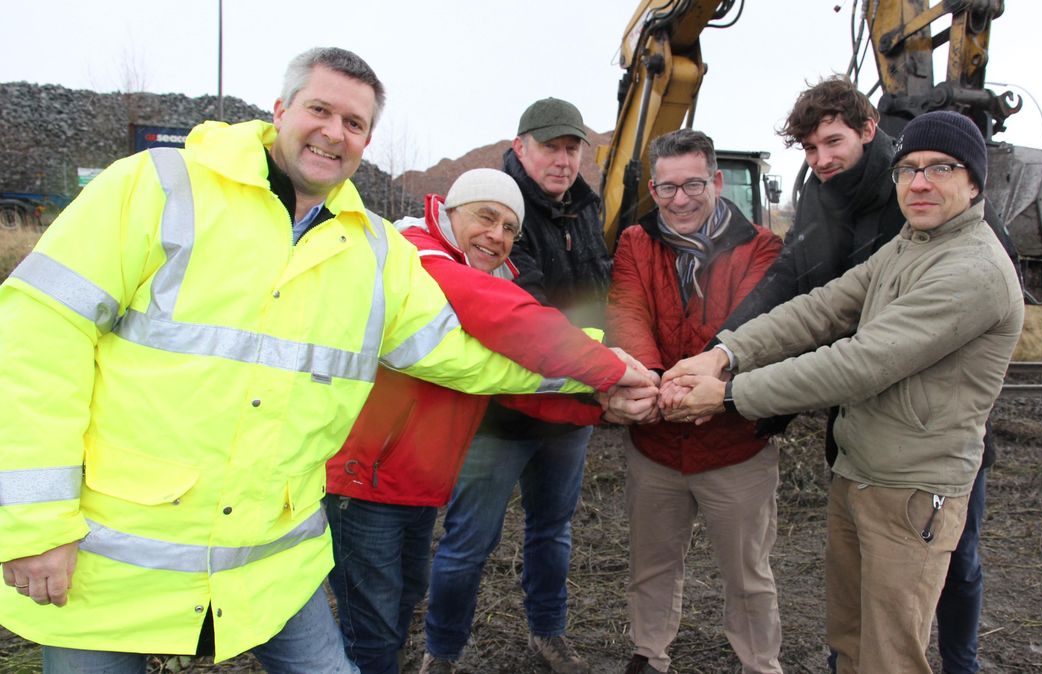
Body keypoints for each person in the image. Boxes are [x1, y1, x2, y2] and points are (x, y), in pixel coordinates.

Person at [0, 48, 601, 674]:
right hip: (106, 562)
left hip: (269, 567)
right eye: (320, 109)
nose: (334, 132)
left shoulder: (371, 250)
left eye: (354, 123)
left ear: (367, 141)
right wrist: (37, 526)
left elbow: (458, 352)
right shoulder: (157, 187)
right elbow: (38, 340)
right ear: (281, 109)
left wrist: (592, 373)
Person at [662, 110, 1025, 674]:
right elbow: (822, 307)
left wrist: (729, 395)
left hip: (911, 491)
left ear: (974, 180)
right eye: (907, 170)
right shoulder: (910, 243)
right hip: (860, 472)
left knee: (890, 656)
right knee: (851, 639)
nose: (920, 182)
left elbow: (860, 363)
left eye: (939, 169)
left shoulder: (972, 268)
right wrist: (722, 353)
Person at [325, 168, 652, 674]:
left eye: (509, 229)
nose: (497, 236)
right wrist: (608, 365)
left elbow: (502, 379)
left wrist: (597, 404)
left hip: (413, 482)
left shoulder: (479, 274)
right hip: (365, 480)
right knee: (372, 632)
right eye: (486, 216)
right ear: (449, 211)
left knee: (401, 605)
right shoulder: (420, 253)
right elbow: (513, 319)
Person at [422, 98, 645, 674]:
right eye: (551, 146)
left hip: (571, 409)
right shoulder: (501, 211)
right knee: (469, 542)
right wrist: (608, 372)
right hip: (504, 411)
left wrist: (608, 370)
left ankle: (549, 634)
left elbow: (602, 294)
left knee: (553, 531)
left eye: (573, 148)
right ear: (521, 147)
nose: (564, 159)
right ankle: (441, 652)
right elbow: (522, 314)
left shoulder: (588, 211)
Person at [605, 129, 782, 674]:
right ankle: (648, 652)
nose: (679, 200)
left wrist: (699, 389)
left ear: (717, 181)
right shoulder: (636, 242)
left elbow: (751, 327)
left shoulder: (761, 247)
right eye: (666, 188)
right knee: (651, 562)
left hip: (735, 446)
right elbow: (629, 309)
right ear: (652, 188)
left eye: (692, 185)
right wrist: (654, 380)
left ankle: (759, 662)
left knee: (748, 572)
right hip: (657, 441)